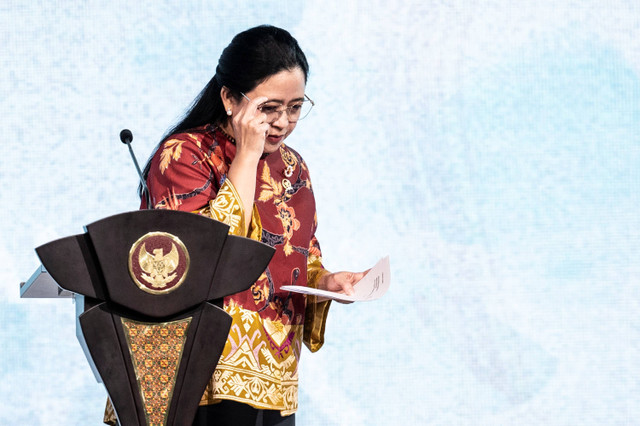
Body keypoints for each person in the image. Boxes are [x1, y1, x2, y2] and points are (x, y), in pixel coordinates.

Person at [104, 25, 367, 426]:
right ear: (229, 98)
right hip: (196, 369)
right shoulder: (184, 155)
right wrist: (246, 157)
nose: (282, 123)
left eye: (295, 107)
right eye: (268, 108)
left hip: (272, 370)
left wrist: (326, 282)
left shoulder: (294, 168)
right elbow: (200, 258)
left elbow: (300, 254)